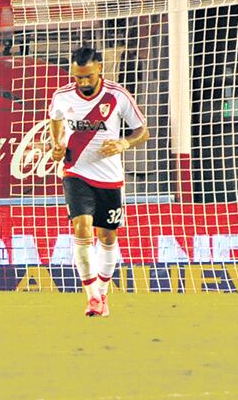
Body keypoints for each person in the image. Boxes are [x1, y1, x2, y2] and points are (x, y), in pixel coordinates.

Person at [48, 46, 149, 317]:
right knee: (81, 228)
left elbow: (143, 131)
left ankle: (103, 294)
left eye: (88, 77)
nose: (83, 83)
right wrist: (56, 144)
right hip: (75, 171)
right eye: (78, 77)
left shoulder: (118, 96)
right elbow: (55, 121)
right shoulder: (62, 96)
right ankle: (92, 297)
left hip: (109, 176)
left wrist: (124, 142)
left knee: (107, 236)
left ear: (100, 69)